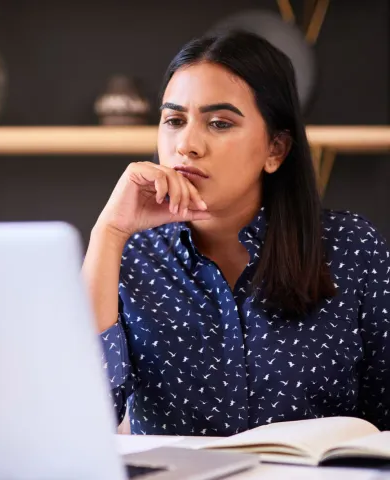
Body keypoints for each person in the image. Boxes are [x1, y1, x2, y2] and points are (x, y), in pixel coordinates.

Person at [82, 31, 390, 436]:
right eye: (174, 120)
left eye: (219, 123)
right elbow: (80, 418)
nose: (187, 144)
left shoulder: (353, 249)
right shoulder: (130, 254)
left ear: (275, 150)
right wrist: (109, 231)